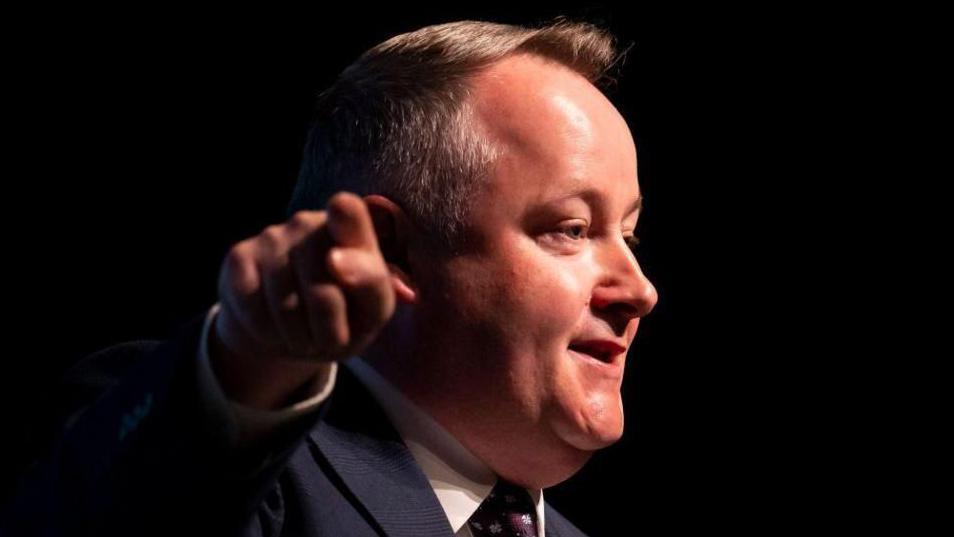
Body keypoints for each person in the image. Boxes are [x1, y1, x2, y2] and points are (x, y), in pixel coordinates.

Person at [5, 19, 657, 536]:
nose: (641, 289)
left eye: (627, 235)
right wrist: (243, 360)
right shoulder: (245, 477)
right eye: (571, 229)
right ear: (392, 249)